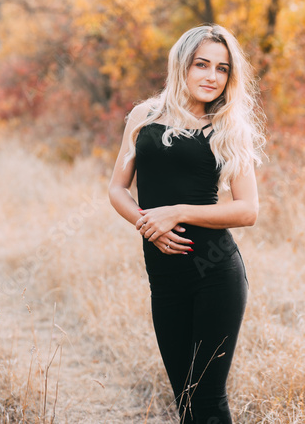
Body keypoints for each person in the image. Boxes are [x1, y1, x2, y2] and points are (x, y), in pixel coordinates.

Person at [108, 24, 266, 424]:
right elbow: (116, 189)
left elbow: (247, 210)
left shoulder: (230, 127)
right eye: (202, 64)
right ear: (182, 64)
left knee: (208, 401)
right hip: (163, 278)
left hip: (215, 272)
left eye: (222, 68)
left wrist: (177, 212)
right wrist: (148, 224)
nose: (212, 76)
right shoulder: (145, 116)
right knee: (185, 399)